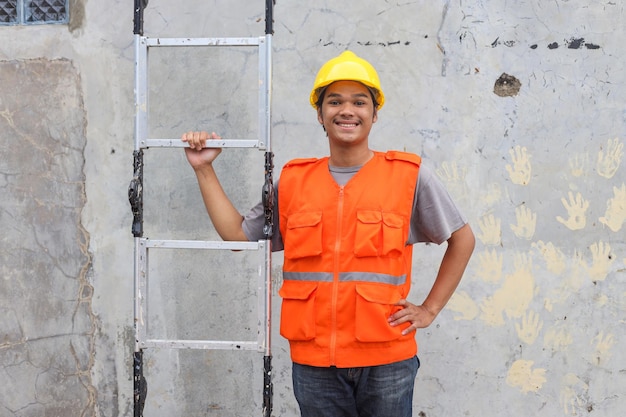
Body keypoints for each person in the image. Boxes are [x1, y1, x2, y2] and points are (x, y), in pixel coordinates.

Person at [181, 50, 475, 417]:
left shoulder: (409, 176)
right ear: (320, 115)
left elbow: (462, 239)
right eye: (334, 101)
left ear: (374, 113)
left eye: (359, 102)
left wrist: (430, 309)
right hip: (315, 365)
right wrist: (204, 169)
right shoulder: (292, 181)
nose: (347, 110)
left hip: (387, 361)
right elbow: (239, 237)